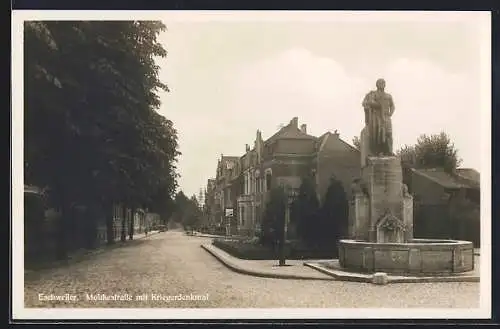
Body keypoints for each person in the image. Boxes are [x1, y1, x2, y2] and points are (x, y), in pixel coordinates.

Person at [361, 78, 395, 156]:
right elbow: (365, 102)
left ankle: (389, 151)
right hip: (377, 117)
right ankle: (379, 151)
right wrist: (374, 104)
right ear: (377, 85)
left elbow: (392, 105)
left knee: (389, 133)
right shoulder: (373, 94)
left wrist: (391, 113)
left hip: (386, 117)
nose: (382, 84)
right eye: (380, 83)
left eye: (383, 83)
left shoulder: (388, 96)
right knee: (379, 134)